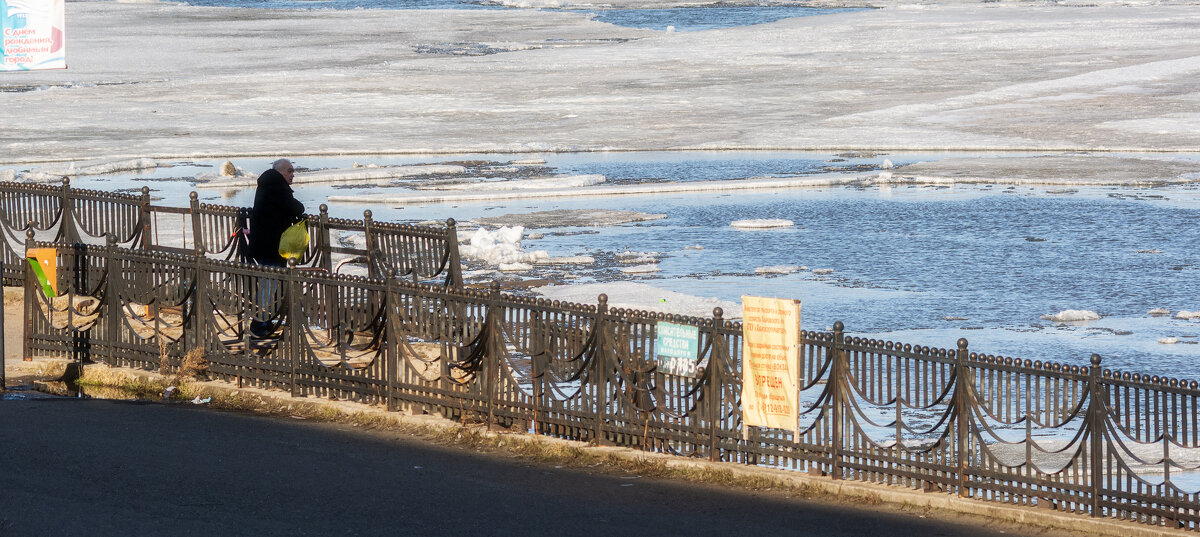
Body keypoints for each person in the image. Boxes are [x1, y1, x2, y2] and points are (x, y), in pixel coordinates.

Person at [247, 159, 305, 338]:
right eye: (289, 171)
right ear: (280, 172)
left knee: (269, 284)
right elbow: (295, 207)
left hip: (266, 242)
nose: (292, 174)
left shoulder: (269, 184)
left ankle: (264, 321)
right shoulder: (276, 186)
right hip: (271, 244)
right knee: (268, 285)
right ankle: (259, 325)